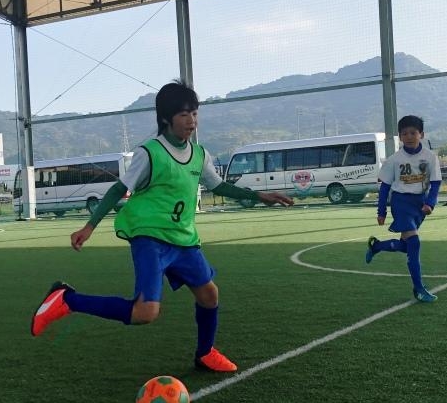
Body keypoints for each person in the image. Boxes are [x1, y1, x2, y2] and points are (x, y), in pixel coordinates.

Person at [30, 80, 294, 373]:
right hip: (150, 238)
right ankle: (67, 300)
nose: (191, 121)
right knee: (145, 312)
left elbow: (218, 185)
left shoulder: (200, 155)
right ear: (167, 118)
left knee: (209, 295)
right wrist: (89, 226)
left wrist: (259, 196)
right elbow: (119, 189)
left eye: (194, 113)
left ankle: (205, 353)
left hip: (183, 239)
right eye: (184, 114)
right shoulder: (150, 153)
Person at [364, 115, 442, 303]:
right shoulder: (394, 160)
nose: (409, 137)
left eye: (413, 133)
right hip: (401, 203)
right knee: (414, 243)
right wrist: (381, 212)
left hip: (419, 205)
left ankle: (377, 246)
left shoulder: (430, 157)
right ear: (400, 136)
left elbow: (436, 183)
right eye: (404, 133)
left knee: (407, 246)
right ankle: (419, 289)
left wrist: (430, 203)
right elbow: (384, 187)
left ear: (421, 134)